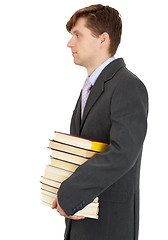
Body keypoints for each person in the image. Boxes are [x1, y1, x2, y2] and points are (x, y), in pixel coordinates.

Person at [52, 4, 148, 240]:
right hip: (82, 218)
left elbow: (123, 152)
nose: (70, 43)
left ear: (102, 39)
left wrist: (71, 193)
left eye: (77, 35)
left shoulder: (127, 85)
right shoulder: (92, 87)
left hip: (108, 225)